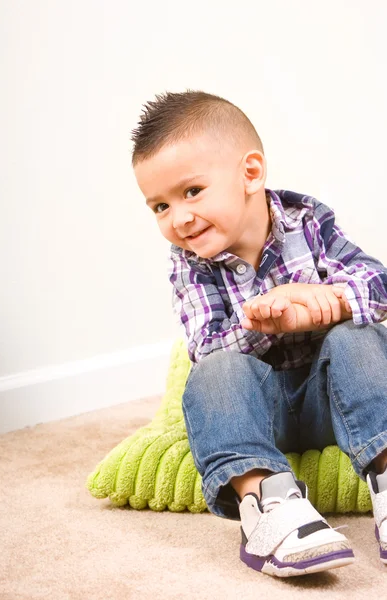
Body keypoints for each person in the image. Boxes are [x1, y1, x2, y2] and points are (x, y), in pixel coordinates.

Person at [131, 90, 387, 577]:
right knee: (213, 371)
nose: (178, 218)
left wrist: (326, 302)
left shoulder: (306, 223)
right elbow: (206, 344)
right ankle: (268, 503)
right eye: (159, 206)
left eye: (191, 192)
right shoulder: (191, 266)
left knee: (359, 335)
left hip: (333, 402)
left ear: (250, 173)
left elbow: (378, 282)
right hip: (259, 414)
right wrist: (261, 321)